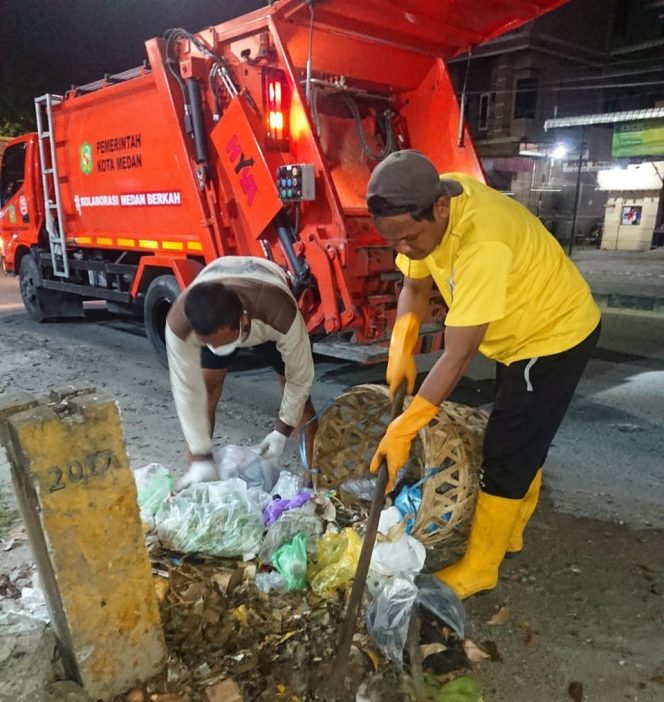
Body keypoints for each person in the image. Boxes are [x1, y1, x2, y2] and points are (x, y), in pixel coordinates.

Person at [366, 150, 601, 599]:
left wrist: (405, 426)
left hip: (553, 334)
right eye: (393, 241)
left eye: (410, 238)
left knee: (508, 448)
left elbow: (457, 356)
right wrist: (402, 341)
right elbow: (414, 287)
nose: (404, 249)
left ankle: (481, 566)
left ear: (440, 209)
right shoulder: (425, 204)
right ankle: (509, 530)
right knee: (524, 433)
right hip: (516, 333)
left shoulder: (481, 241)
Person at [165, 256, 317, 491]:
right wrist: (200, 456)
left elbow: (300, 378)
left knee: (301, 401)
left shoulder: (280, 311)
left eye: (227, 343)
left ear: (243, 318)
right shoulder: (179, 323)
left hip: (266, 318)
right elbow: (186, 390)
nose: (225, 350)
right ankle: (201, 476)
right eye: (213, 344)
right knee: (206, 392)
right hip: (221, 313)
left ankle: (313, 475)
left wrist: (282, 430)